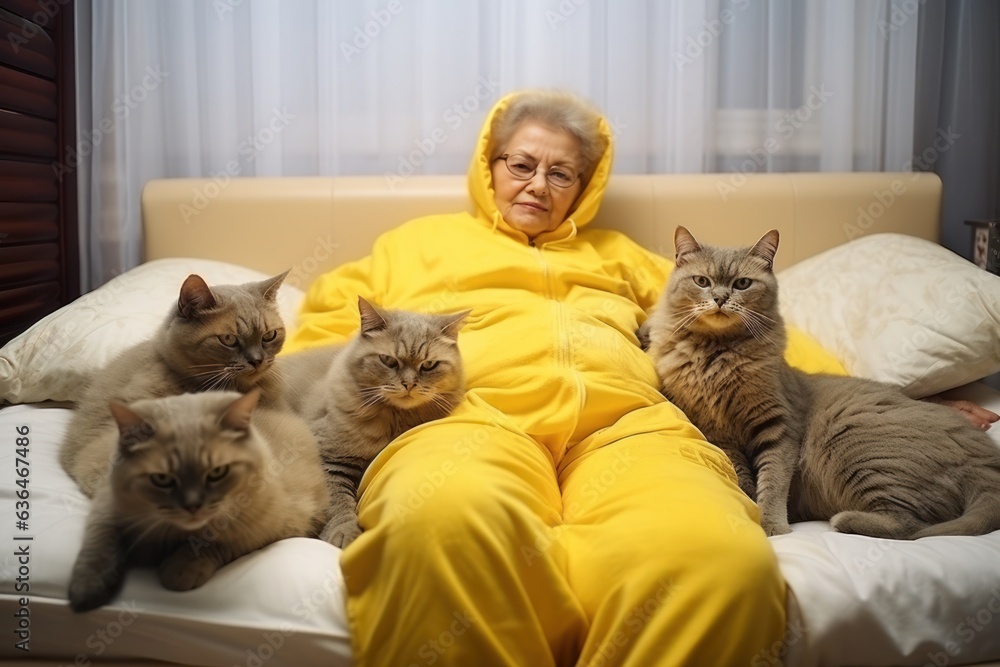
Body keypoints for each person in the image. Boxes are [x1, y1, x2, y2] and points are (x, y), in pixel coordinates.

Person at [286, 89, 996, 666]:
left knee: (719, 565)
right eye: (521, 163)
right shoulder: (410, 244)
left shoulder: (623, 254)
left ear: (585, 183)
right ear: (489, 165)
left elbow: (767, 340)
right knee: (434, 529)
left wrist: (904, 396)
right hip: (467, 422)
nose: (537, 183)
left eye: (560, 171)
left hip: (641, 429)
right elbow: (326, 345)